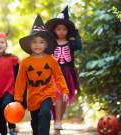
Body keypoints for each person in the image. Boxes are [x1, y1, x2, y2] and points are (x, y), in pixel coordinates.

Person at [14, 15, 69, 135]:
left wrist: (64, 90)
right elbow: (20, 81)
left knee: (44, 113)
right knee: (35, 123)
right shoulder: (25, 62)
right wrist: (18, 99)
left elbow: (58, 76)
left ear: (46, 44)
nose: (37, 45)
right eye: (34, 42)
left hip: (47, 93)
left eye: (41, 42)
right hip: (32, 97)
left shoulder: (51, 60)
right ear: (29, 44)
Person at [45, 6, 82, 134]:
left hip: (68, 73)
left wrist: (75, 32)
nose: (61, 31)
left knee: (64, 99)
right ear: (54, 30)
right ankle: (57, 123)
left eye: (64, 29)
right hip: (54, 74)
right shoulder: (51, 44)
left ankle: (57, 121)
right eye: (58, 29)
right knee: (58, 96)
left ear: (68, 31)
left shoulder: (71, 44)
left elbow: (79, 45)